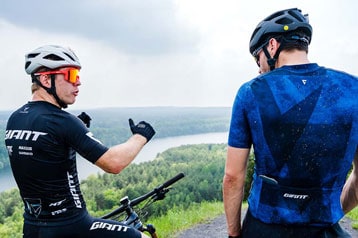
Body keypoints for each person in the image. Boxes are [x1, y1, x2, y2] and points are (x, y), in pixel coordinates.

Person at [223, 8, 358, 238]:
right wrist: (331, 214)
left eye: (258, 57)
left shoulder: (250, 92)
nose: (259, 67)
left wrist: (234, 234)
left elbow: (233, 177)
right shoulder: (353, 90)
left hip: (263, 228)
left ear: (273, 45)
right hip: (324, 230)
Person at [4, 45, 155, 238]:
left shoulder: (15, 119)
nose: (78, 83)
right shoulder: (63, 121)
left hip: (33, 228)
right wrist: (141, 136)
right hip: (73, 227)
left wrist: (72, 134)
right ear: (45, 78)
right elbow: (114, 163)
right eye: (71, 74)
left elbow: (44, 152)